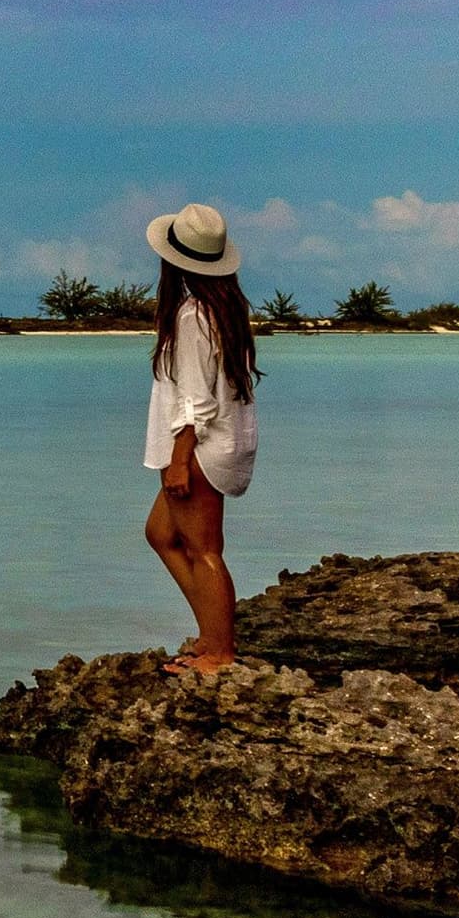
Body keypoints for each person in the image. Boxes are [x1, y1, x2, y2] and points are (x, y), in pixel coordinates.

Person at [140, 202, 258, 674]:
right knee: (161, 534)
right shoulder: (225, 309)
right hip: (225, 440)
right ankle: (212, 633)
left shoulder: (192, 316)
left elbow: (194, 401)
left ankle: (220, 651)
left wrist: (179, 460)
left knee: (205, 549)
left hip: (201, 445)